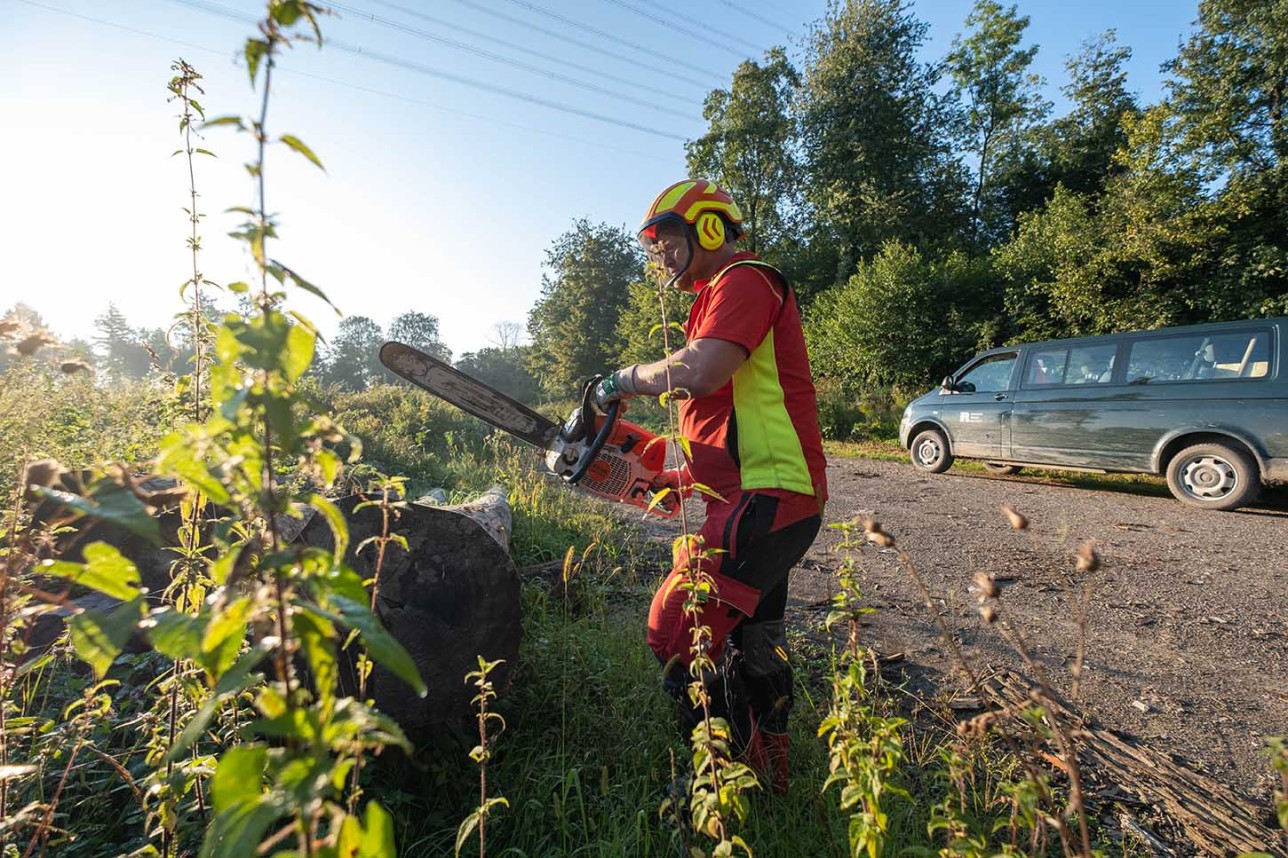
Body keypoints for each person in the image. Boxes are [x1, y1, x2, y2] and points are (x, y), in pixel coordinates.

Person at [593, 179, 828, 795]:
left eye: (670, 236)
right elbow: (725, 420)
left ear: (711, 228)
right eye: (655, 244)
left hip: (769, 499)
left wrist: (620, 380)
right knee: (757, 646)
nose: (661, 252)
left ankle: (716, 785)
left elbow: (699, 373)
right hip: (762, 499)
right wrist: (661, 476)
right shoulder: (714, 300)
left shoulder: (745, 281)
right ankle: (771, 774)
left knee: (676, 635)